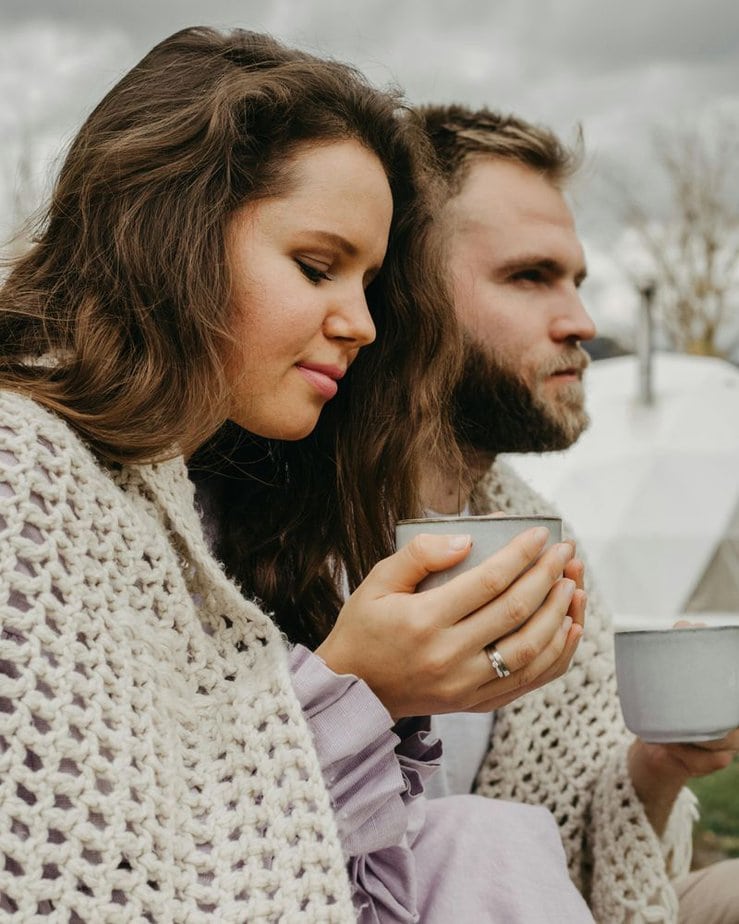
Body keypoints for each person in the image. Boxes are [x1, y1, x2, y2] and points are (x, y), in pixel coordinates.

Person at [0, 28, 595, 922]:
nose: (359, 322)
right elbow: (91, 872)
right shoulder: (27, 471)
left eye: (371, 284)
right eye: (316, 266)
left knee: (482, 837)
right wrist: (360, 688)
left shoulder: (230, 498)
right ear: (173, 235)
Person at [413, 102, 739, 924]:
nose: (582, 324)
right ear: (405, 293)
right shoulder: (271, 536)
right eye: (529, 277)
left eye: (577, 281)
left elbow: (575, 852)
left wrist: (657, 765)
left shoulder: (542, 542)